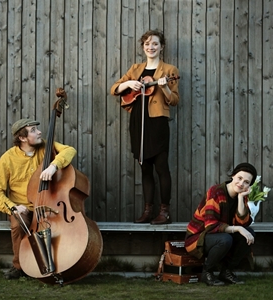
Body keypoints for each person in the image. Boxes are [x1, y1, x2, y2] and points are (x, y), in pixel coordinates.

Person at [0, 118, 76, 279]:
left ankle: (62, 264)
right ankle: (19, 267)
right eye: (33, 130)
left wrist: (53, 165)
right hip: (24, 207)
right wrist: (12, 206)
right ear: (22, 138)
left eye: (37, 129)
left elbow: (70, 150)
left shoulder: (46, 147)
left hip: (48, 203)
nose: (39, 132)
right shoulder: (7, 159)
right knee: (17, 224)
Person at [110, 30, 180, 224]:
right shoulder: (135, 68)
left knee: (161, 167)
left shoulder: (169, 69)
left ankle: (164, 212)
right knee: (145, 169)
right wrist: (129, 83)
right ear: (143, 47)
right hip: (138, 121)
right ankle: (148, 210)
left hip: (157, 122)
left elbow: (174, 100)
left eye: (155, 44)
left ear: (161, 47)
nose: (151, 47)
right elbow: (115, 88)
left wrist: (164, 87)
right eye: (148, 44)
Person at [185, 163, 257, 286]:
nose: (241, 184)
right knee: (226, 239)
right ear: (233, 175)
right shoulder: (216, 191)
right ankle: (207, 272)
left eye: (246, 182)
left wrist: (240, 199)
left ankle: (226, 271)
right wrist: (238, 228)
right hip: (199, 238)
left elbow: (243, 222)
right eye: (239, 178)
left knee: (248, 233)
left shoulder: (242, 195)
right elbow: (211, 225)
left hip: (220, 235)